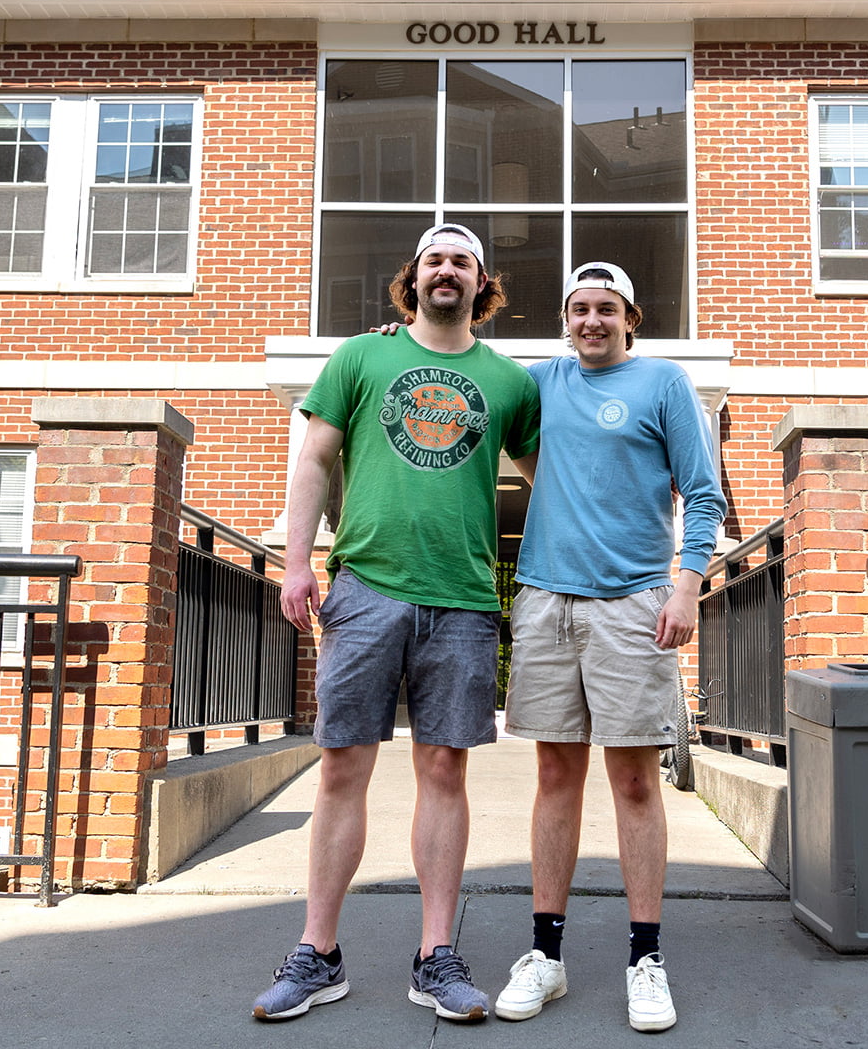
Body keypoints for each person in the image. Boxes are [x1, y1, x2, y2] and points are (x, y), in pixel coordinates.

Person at [252, 222, 540, 1025]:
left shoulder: (512, 383)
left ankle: (435, 956)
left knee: (444, 770)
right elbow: (313, 457)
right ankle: (318, 953)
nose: (447, 270)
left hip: (464, 600)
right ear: (411, 278)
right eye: (434, 260)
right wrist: (300, 559)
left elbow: (550, 479)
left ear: (483, 284)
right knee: (343, 767)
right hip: (367, 588)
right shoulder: (362, 357)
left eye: (462, 261)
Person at [492, 261, 724, 1034]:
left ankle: (645, 959)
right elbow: (456, 371)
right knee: (556, 773)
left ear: (630, 316)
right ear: (565, 318)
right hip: (547, 601)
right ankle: (546, 958)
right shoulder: (538, 383)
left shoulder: (663, 383)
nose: (591, 320)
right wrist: (398, 337)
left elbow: (704, 491)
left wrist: (686, 586)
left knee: (632, 783)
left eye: (606, 309)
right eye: (578, 309)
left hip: (634, 606)